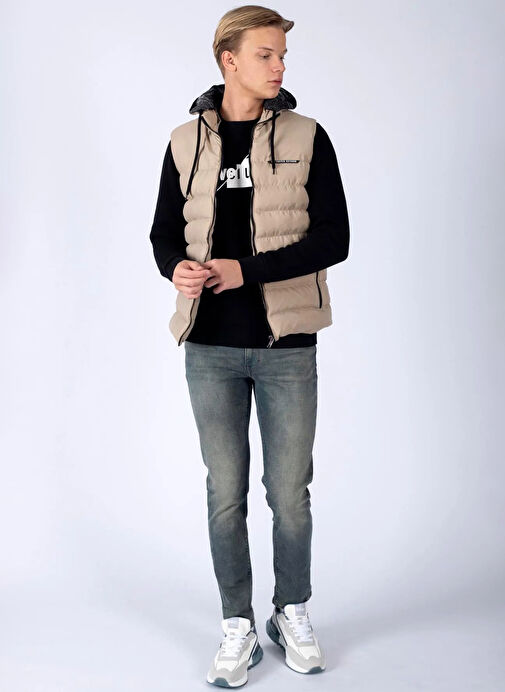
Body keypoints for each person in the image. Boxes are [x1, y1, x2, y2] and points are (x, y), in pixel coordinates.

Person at [150, 5, 350, 687]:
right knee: (225, 494)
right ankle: (237, 623)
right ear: (228, 60)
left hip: (286, 344)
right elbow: (163, 233)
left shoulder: (307, 135)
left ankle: (290, 610)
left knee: (289, 494)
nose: (279, 67)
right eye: (265, 54)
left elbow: (334, 239)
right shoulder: (183, 141)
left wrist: (247, 271)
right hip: (207, 345)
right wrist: (175, 268)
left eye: (282, 55)